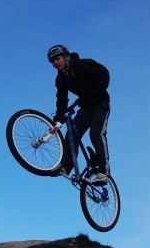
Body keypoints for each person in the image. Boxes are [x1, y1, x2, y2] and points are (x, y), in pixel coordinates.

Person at [47, 44, 111, 184]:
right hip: (85, 108)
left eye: (57, 59)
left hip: (100, 103)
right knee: (71, 135)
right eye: (52, 61)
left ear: (65, 56)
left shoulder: (83, 64)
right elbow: (62, 99)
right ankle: (66, 167)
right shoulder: (60, 79)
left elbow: (103, 73)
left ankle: (103, 172)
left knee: (96, 134)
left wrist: (96, 90)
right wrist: (59, 117)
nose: (55, 63)